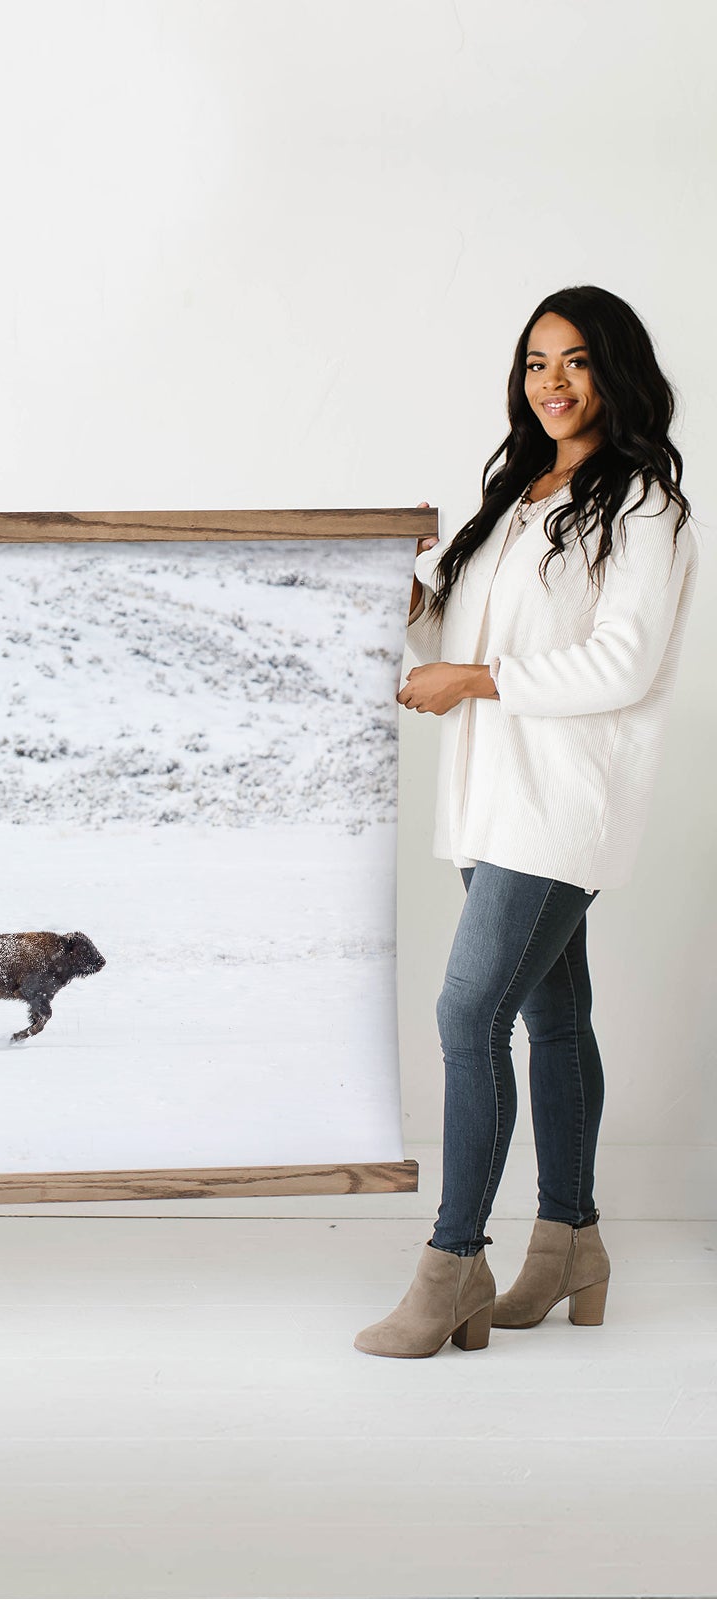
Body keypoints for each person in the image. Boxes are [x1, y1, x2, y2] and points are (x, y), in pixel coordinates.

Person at [355, 285, 697, 1359]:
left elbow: (620, 662)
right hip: (494, 800)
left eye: (577, 361)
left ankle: (452, 1263)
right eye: (535, 362)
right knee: (551, 1017)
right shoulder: (513, 496)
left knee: (468, 1017)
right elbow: (442, 649)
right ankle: (570, 1243)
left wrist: (473, 676)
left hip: (563, 800)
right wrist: (406, 587)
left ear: (617, 371)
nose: (551, 383)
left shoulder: (643, 504)